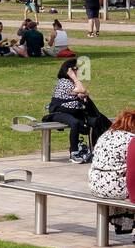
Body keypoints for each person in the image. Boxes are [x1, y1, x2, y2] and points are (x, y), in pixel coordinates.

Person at [49, 59, 110, 163]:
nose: (78, 71)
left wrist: (80, 89)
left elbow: (84, 92)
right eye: (76, 69)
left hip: (73, 112)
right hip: (59, 112)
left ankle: (96, 149)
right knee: (75, 123)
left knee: (96, 121)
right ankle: (74, 152)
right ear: (69, 70)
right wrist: (74, 77)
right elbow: (83, 90)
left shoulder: (71, 82)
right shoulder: (64, 82)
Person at [88, 108, 135, 237]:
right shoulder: (131, 139)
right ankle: (125, 225)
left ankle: (123, 225)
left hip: (96, 185)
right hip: (114, 187)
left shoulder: (106, 135)